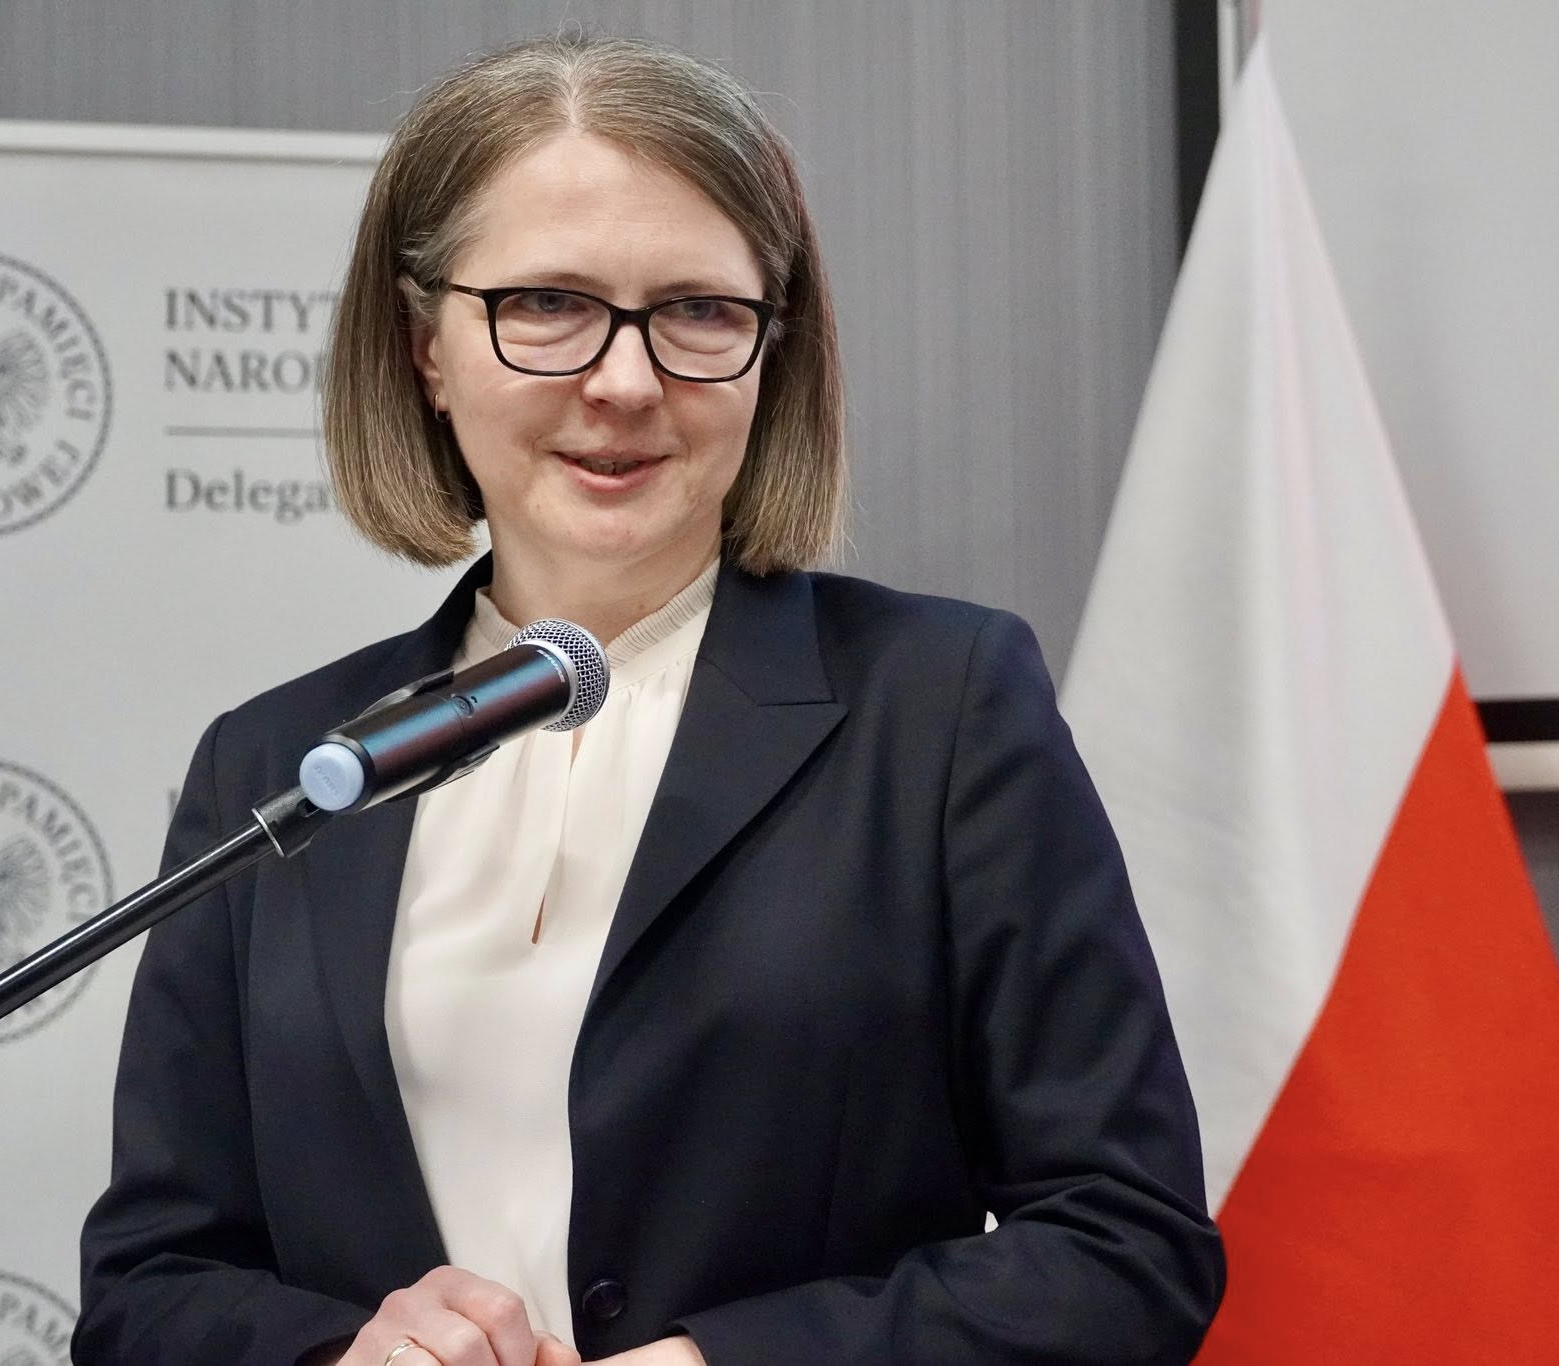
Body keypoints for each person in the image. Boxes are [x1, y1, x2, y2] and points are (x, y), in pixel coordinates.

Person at [76, 32, 1224, 1366]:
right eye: (547, 303)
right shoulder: (278, 761)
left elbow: (1124, 1247)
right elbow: (150, 1289)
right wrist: (342, 1359)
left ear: (773, 349)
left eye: (698, 312)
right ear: (424, 345)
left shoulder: (944, 710)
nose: (624, 381)